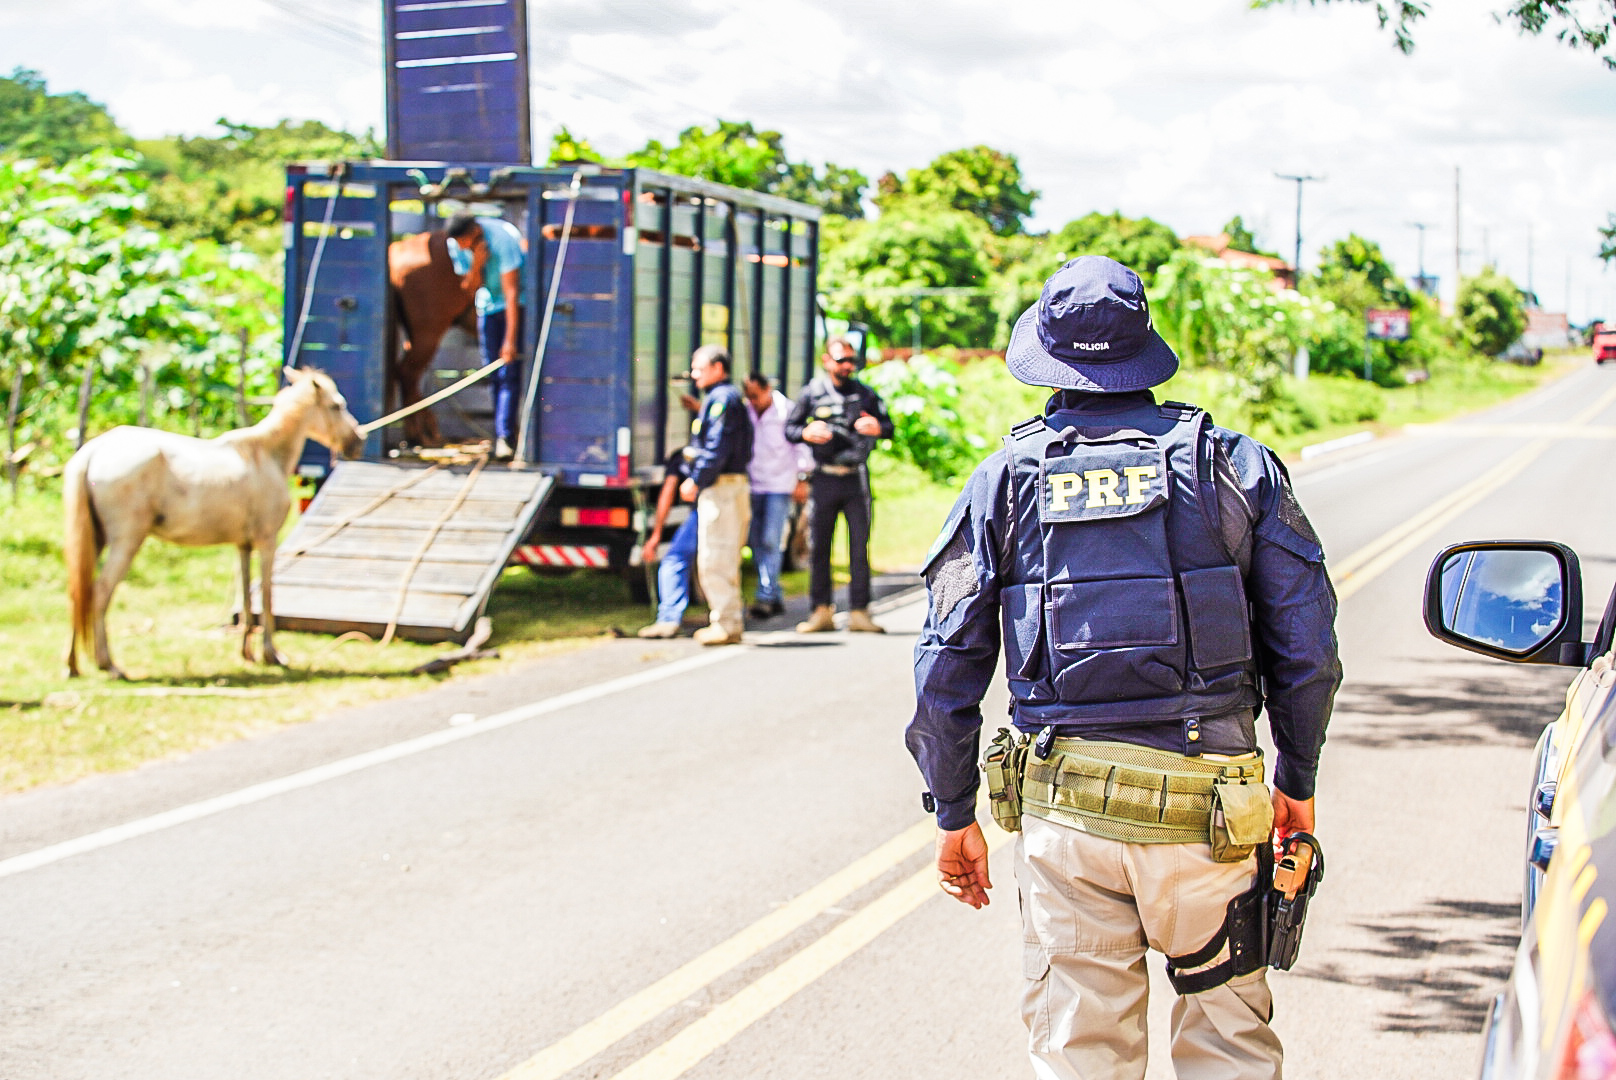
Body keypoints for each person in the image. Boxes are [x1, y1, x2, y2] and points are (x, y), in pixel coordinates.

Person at [906, 256, 1341, 1080]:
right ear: (1144, 349)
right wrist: (1299, 781)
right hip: (1209, 816)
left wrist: (953, 810)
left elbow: (945, 662)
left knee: (1081, 1059)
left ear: (1045, 354)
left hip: (1066, 820)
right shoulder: (1231, 464)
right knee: (1230, 1046)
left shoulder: (1003, 481)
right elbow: (1307, 645)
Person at [784, 337, 893, 634]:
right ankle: (821, 612)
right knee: (819, 548)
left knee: (859, 548)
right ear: (826, 361)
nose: (847, 366)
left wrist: (878, 428)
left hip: (856, 479)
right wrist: (807, 431)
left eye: (851, 361)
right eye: (841, 360)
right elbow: (790, 429)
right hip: (824, 479)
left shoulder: (866, 394)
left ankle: (860, 612)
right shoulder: (812, 393)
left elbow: (889, 426)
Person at [680, 345, 753, 646]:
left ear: (718, 369)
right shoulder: (721, 398)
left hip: (721, 488)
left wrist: (696, 480)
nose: (693, 374)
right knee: (726, 556)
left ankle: (724, 623)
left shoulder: (722, 399)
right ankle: (730, 622)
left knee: (715, 558)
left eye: (699, 367)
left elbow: (716, 447)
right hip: (731, 485)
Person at [445, 213, 524, 460]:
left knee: (508, 373)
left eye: (462, 242)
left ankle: (505, 437)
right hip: (487, 307)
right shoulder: (455, 244)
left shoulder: (502, 238)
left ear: (473, 233)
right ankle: (502, 433)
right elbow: (469, 289)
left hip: (512, 307)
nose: (459, 247)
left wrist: (510, 340)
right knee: (492, 373)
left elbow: (511, 292)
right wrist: (477, 263)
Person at [742, 371, 813, 619]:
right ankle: (774, 593)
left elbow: (802, 445)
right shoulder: (747, 411)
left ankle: (766, 595)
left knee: (771, 539)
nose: (753, 401)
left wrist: (802, 479)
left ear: (767, 389)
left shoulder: (786, 411)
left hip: (780, 484)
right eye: (749, 396)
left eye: (756, 395)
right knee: (755, 541)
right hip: (754, 484)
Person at [636, 446, 699, 638]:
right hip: (715, 508)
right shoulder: (683, 456)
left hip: (711, 507)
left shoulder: (688, 454)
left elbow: (669, 490)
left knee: (675, 561)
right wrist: (656, 535)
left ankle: (669, 618)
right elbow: (669, 490)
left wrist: (656, 535)